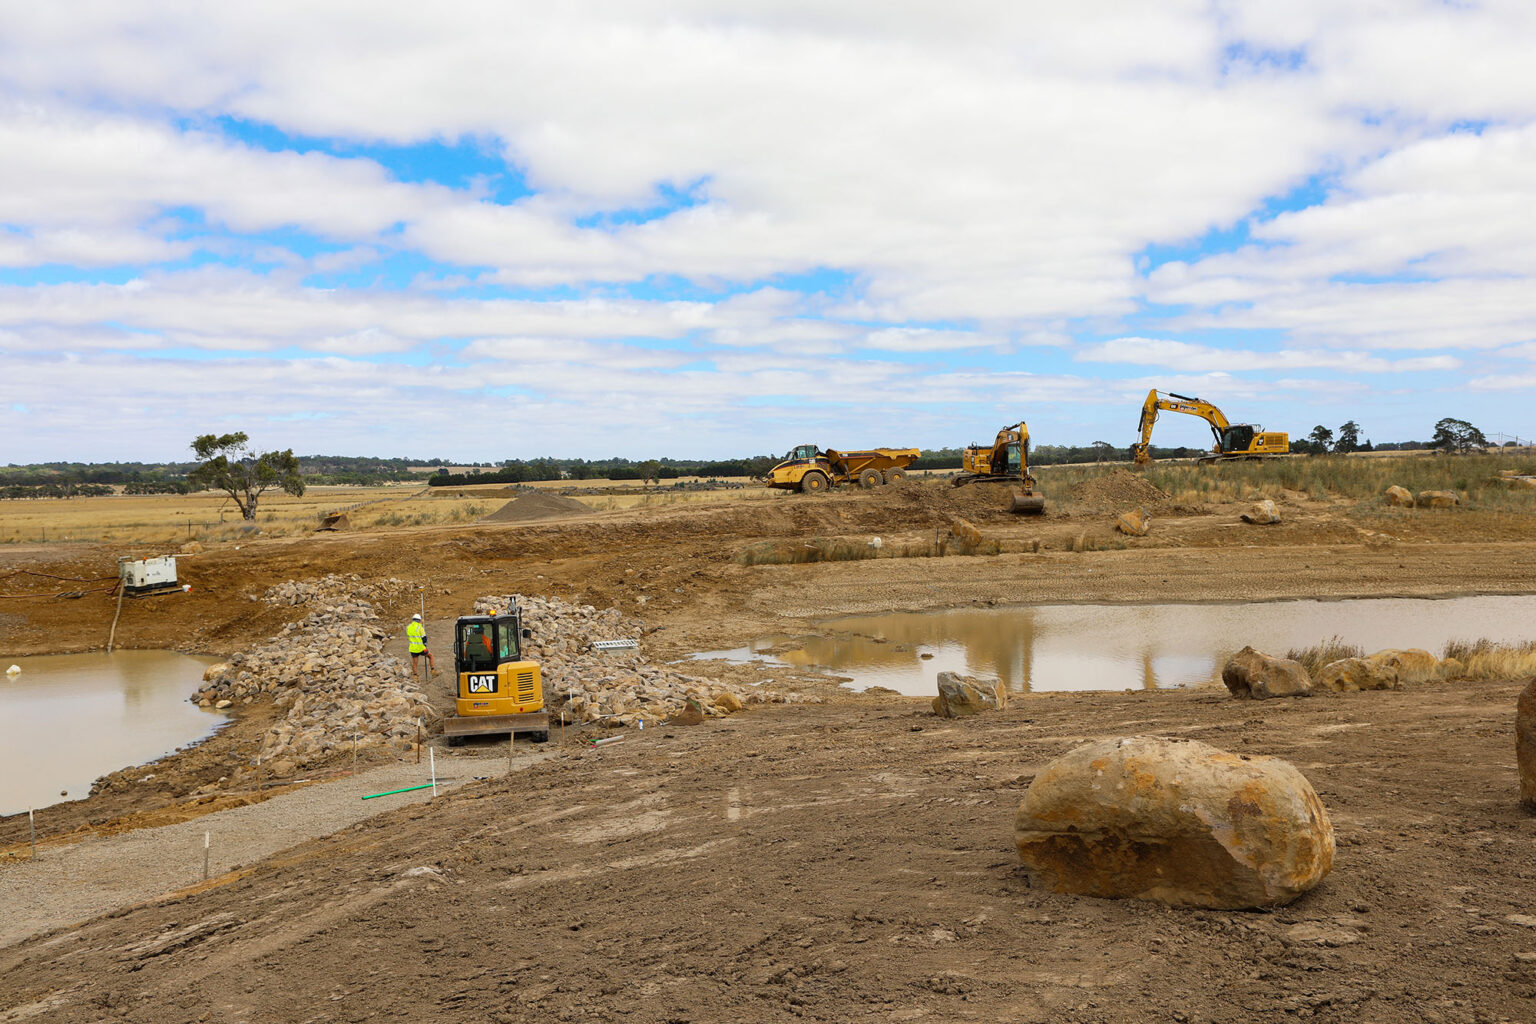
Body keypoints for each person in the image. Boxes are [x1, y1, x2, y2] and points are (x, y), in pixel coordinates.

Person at [406, 613, 438, 677]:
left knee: (415, 663)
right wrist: (425, 646)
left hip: (412, 648)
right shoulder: (420, 628)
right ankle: (433, 671)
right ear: (419, 620)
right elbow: (424, 639)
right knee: (430, 656)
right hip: (421, 648)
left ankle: (415, 677)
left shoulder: (408, 627)